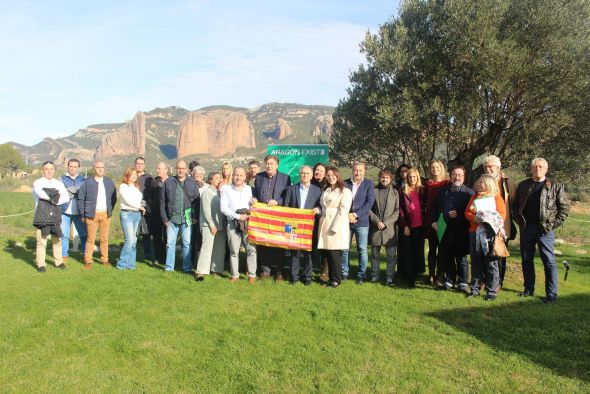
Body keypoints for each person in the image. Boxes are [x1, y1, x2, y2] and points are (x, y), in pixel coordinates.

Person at [514, 158, 570, 303]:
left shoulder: (555, 186)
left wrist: (552, 225)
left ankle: (551, 295)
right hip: (527, 228)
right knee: (526, 259)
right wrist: (518, 220)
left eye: (541, 166)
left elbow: (564, 209)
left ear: (546, 169)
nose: (537, 169)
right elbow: (515, 206)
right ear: (531, 169)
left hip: (545, 229)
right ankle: (528, 289)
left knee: (549, 261)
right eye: (535, 166)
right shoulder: (524, 185)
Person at [430, 166, 474, 291]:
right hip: (444, 228)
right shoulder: (443, 191)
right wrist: (433, 222)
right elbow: (434, 207)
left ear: (464, 177)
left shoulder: (469, 193)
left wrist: (459, 214)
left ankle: (463, 283)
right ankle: (449, 280)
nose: (457, 177)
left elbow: (473, 212)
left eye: (460, 175)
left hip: (461, 230)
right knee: (447, 256)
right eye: (454, 174)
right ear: (450, 176)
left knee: (461, 258)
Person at [464, 174, 506, 301]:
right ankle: (475, 288)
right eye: (478, 182)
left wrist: (488, 220)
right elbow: (467, 212)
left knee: (491, 262)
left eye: (481, 182)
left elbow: (502, 216)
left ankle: (492, 290)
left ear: (489, 184)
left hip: (490, 234)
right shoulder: (474, 197)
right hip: (474, 231)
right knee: (475, 260)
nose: (478, 184)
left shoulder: (497, 198)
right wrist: (475, 218)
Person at [252, 154, 291, 280]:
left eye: (271, 164)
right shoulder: (259, 177)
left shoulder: (285, 178)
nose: (269, 166)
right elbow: (256, 194)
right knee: (264, 244)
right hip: (263, 217)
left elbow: (287, 196)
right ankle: (265, 271)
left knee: (279, 244)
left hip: (278, 217)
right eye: (267, 163)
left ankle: (279, 272)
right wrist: (254, 199)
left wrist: (277, 201)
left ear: (277, 165)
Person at [482, 155, 517, 289]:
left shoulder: (508, 183)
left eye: (491, 166)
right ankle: (485, 281)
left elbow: (514, 202)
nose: (488, 169)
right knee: (485, 253)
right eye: (486, 167)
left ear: (498, 167)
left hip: (503, 225)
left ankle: (498, 283)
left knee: (500, 253)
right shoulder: (482, 181)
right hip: (484, 225)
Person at [284, 166, 322, 285]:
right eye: (302, 173)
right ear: (299, 175)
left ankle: (307, 277)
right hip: (293, 225)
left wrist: (318, 209)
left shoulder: (317, 190)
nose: (304, 175)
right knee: (294, 251)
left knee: (308, 252)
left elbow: (321, 206)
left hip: (309, 226)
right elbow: (286, 206)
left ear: (311, 175)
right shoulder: (291, 189)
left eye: (307, 173)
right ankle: (294, 276)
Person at [160, 160, 199, 273]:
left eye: (183, 168)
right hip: (172, 219)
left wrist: (195, 216)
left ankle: (186, 268)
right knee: (170, 244)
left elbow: (197, 201)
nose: (181, 170)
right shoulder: (168, 182)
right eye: (179, 168)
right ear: (175, 169)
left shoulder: (192, 182)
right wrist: (165, 219)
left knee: (187, 244)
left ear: (186, 169)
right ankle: (169, 267)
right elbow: (162, 201)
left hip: (187, 219)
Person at [317, 167, 353, 288]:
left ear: (338, 176)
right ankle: (331, 278)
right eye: (328, 175)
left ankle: (336, 280)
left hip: (335, 224)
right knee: (328, 253)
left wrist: (334, 227)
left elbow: (343, 210)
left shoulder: (345, 191)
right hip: (324, 222)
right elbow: (323, 206)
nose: (330, 177)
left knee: (334, 254)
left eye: (333, 175)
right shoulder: (325, 190)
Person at [78, 160, 117, 269]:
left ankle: (105, 260)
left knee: (104, 238)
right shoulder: (87, 182)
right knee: (90, 238)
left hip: (105, 214)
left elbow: (114, 198)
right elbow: (81, 198)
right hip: (91, 215)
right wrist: (83, 214)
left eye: (102, 167)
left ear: (104, 169)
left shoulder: (109, 182)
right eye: (98, 167)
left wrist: (109, 210)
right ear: (94, 168)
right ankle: (88, 261)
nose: (100, 169)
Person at [220, 167, 257, 283]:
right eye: (236, 175)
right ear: (233, 176)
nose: (238, 177)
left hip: (247, 222)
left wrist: (253, 204)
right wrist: (238, 216)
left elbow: (251, 206)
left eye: (241, 175)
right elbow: (223, 208)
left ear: (245, 177)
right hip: (233, 222)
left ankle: (252, 275)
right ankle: (235, 275)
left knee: (251, 249)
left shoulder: (248, 189)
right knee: (234, 250)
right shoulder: (226, 189)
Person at [342, 161, 375, 284]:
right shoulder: (345, 183)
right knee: (345, 248)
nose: (358, 172)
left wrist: (355, 214)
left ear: (364, 171)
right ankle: (344, 272)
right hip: (346, 221)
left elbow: (369, 203)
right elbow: (342, 201)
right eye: (356, 170)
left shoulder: (368, 184)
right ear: (352, 170)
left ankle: (361, 274)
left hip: (362, 221)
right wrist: (347, 215)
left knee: (362, 248)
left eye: (360, 170)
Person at [32, 161, 69, 272]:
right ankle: (41, 265)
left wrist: (54, 200)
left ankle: (59, 262)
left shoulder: (59, 183)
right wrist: (56, 195)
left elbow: (66, 197)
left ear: (54, 170)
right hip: (42, 215)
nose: (49, 171)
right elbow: (41, 195)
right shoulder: (37, 183)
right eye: (47, 169)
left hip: (55, 214)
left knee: (57, 240)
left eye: (51, 169)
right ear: (43, 170)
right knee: (41, 241)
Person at [369, 169, 399, 285]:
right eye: (382, 177)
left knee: (391, 256)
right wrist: (377, 221)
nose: (384, 179)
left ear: (390, 179)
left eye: (387, 177)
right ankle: (374, 276)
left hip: (389, 229)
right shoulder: (373, 191)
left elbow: (397, 211)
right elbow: (369, 209)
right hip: (375, 228)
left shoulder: (395, 193)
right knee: (375, 255)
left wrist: (385, 223)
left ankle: (389, 277)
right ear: (379, 177)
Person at [195, 171, 227, 280]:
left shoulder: (221, 193)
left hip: (220, 225)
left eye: (220, 178)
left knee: (219, 249)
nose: (219, 180)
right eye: (216, 178)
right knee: (206, 248)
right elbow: (206, 210)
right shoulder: (207, 192)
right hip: (209, 225)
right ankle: (200, 272)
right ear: (210, 180)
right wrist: (211, 224)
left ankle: (216, 270)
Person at [424, 159, 451, 286]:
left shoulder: (447, 183)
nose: (435, 170)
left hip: (443, 219)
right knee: (432, 249)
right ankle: (431, 274)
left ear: (441, 169)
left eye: (437, 167)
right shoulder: (428, 184)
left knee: (442, 249)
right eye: (433, 167)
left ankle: (440, 275)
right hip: (431, 219)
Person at [398, 168, 426, 288]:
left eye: (414, 177)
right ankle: (410, 279)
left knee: (417, 251)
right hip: (408, 226)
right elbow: (401, 211)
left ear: (417, 177)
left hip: (420, 226)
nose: (412, 179)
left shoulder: (422, 191)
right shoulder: (403, 191)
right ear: (407, 178)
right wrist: (404, 226)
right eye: (410, 177)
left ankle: (416, 273)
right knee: (408, 253)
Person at [116, 167, 146, 270]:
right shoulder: (123, 186)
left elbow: (138, 199)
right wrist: (139, 207)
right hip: (127, 215)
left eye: (135, 174)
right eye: (132, 174)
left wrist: (141, 206)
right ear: (127, 175)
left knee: (134, 240)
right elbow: (128, 201)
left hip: (136, 215)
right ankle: (121, 264)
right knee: (129, 240)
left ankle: (131, 264)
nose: (134, 176)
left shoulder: (136, 186)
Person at [60, 158, 87, 263]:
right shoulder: (61, 179)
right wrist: (76, 191)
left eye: (75, 166)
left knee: (83, 234)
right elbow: (61, 192)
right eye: (71, 166)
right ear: (67, 166)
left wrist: (69, 190)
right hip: (65, 211)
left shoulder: (83, 179)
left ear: (78, 168)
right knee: (64, 235)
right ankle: (64, 256)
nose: (73, 168)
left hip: (79, 212)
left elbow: (83, 193)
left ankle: (85, 255)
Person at [144, 162, 169, 265]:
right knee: (157, 238)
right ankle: (158, 258)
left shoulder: (171, 181)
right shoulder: (154, 182)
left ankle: (168, 258)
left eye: (160, 168)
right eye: (157, 168)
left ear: (166, 169)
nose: (157, 170)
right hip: (155, 215)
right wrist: (150, 212)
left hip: (168, 215)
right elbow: (148, 199)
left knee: (168, 237)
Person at [312, 163, 329, 282]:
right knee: (310, 245)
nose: (318, 172)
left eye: (321, 171)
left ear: (325, 174)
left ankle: (325, 271)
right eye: (317, 170)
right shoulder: (309, 183)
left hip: (323, 219)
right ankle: (310, 267)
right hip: (309, 220)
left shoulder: (327, 186)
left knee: (324, 246)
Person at [134, 156, 154, 262]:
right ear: (135, 164)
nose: (139, 165)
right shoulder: (131, 176)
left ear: (144, 165)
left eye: (141, 163)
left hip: (146, 208)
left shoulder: (149, 177)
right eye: (137, 163)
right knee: (132, 232)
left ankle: (148, 254)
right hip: (132, 207)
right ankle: (132, 253)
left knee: (146, 232)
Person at [394, 163, 410, 279]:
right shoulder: (396, 187)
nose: (404, 174)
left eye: (406, 171)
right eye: (402, 172)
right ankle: (401, 271)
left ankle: (413, 270)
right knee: (402, 246)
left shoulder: (415, 185)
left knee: (413, 246)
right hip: (400, 219)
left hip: (413, 219)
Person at [190, 165, 206, 265]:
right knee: (191, 240)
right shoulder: (188, 184)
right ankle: (190, 261)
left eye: (200, 174)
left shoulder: (206, 187)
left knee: (200, 240)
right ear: (193, 174)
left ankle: (199, 263)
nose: (198, 176)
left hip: (202, 217)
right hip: (190, 216)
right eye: (196, 174)